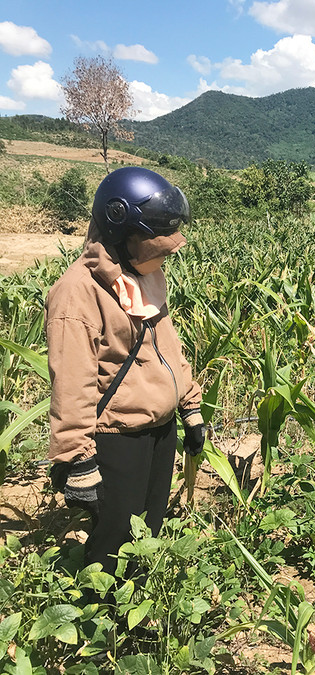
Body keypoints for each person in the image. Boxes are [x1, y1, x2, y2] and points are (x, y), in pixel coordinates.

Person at [46, 167, 206, 574]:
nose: (166, 253)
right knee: (115, 539)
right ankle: (103, 625)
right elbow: (73, 383)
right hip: (117, 436)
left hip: (159, 427)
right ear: (120, 233)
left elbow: (167, 344)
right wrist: (77, 460)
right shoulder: (77, 293)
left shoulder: (145, 275)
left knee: (149, 526)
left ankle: (137, 621)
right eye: (157, 244)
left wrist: (190, 405)